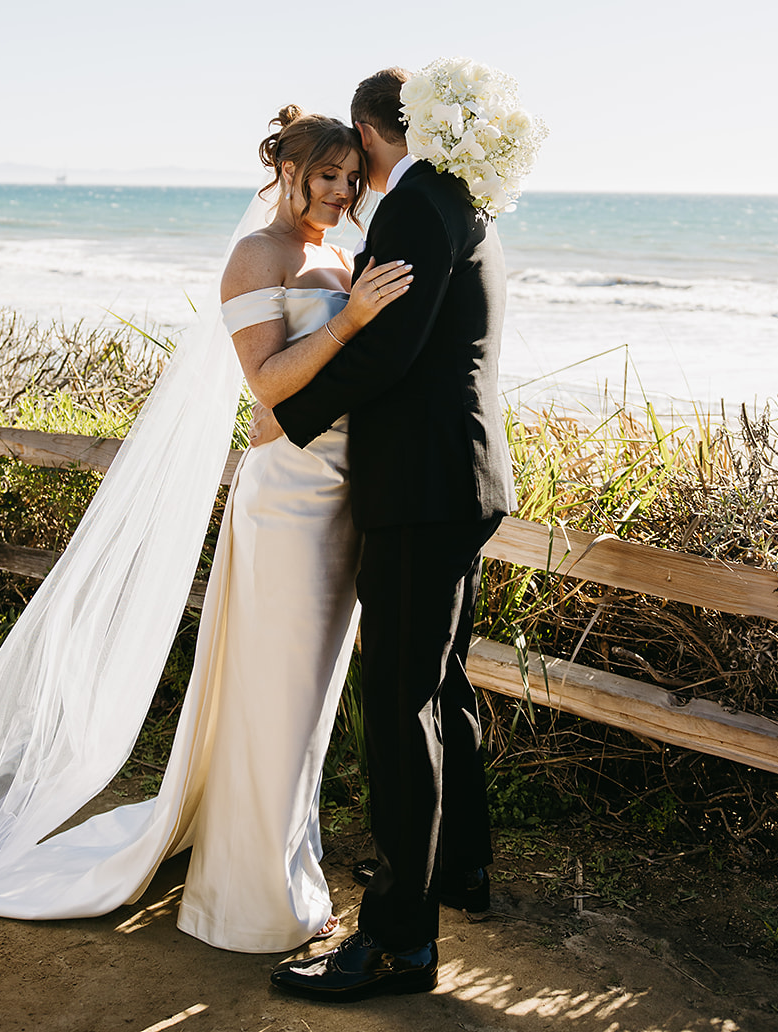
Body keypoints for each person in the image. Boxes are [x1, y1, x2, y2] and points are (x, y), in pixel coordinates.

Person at [0, 108, 410, 957]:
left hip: (345, 490)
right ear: (285, 172)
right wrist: (349, 320)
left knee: (306, 699)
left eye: (352, 178)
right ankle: (254, 895)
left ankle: (277, 851)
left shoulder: (339, 254)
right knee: (276, 691)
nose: (342, 192)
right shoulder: (259, 257)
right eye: (326, 177)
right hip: (286, 494)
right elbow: (270, 386)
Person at [257, 68, 516, 1004]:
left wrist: (286, 414)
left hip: (419, 488)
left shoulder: (412, 207)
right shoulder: (458, 199)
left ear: (366, 137)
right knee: (440, 684)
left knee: (400, 704)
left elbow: (391, 348)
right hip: (463, 476)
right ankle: (460, 873)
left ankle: (401, 942)